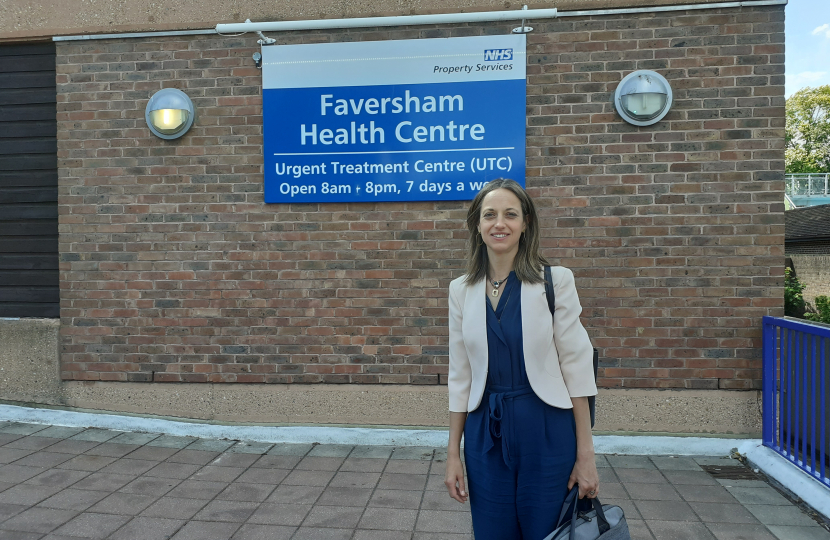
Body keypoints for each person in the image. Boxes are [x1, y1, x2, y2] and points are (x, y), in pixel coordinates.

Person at [444, 179, 599, 539]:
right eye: (490, 215)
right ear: (477, 225)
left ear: (526, 222)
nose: (500, 223)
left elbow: (576, 369)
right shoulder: (460, 290)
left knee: (547, 531)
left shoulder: (554, 281)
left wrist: (586, 454)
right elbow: (460, 375)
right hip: (486, 433)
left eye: (510, 214)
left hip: (547, 429)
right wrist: (453, 452)